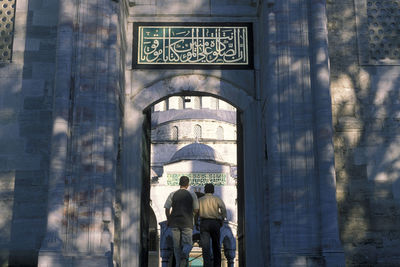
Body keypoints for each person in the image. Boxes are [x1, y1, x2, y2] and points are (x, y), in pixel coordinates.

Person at [164, 176, 199, 267]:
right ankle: (184, 253)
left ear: (179, 183)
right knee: (187, 244)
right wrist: (192, 215)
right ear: (187, 185)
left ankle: (179, 264)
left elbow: (167, 208)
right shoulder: (192, 194)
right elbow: (196, 209)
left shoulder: (173, 194)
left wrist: (169, 219)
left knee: (176, 247)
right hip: (187, 223)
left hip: (174, 223)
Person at [198, 183, 227, 267]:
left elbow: (195, 211)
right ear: (213, 190)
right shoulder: (217, 199)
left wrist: (196, 222)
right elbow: (223, 209)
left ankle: (207, 265)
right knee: (216, 245)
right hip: (215, 223)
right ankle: (217, 265)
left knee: (205, 247)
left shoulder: (200, 199)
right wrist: (222, 219)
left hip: (204, 223)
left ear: (205, 190)